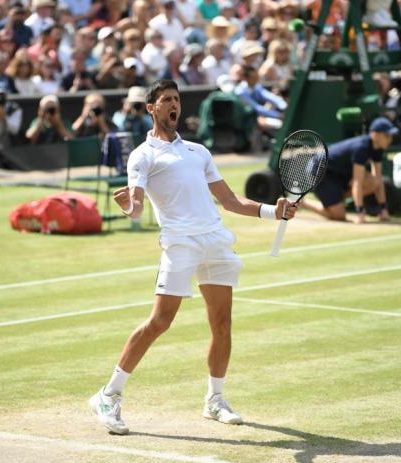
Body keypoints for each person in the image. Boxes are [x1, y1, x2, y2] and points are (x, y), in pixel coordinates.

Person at [88, 79, 297, 435]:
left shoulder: (199, 152)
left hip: (215, 241)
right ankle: (108, 394)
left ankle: (215, 400)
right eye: (166, 100)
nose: (173, 105)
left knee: (222, 324)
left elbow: (231, 202)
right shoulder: (143, 155)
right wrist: (127, 207)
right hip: (180, 244)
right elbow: (137, 207)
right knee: (160, 321)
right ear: (152, 107)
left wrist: (272, 212)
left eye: (177, 100)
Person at [300, 117, 396, 224]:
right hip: (319, 170)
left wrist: (384, 210)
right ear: (375, 135)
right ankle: (302, 202)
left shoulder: (378, 148)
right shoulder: (361, 148)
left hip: (339, 172)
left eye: (391, 136)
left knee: (374, 182)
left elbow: (378, 180)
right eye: (387, 136)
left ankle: (337, 202)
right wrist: (360, 213)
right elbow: (357, 182)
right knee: (339, 216)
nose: (390, 139)